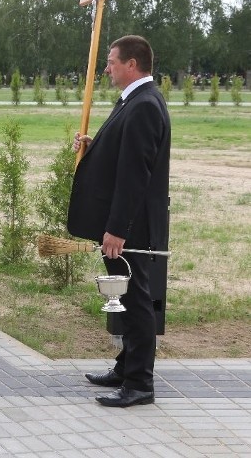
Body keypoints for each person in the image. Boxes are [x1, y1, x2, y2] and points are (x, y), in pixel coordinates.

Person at [69, 35, 170, 408]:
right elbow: (125, 153)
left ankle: (140, 383)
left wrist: (117, 229)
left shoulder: (144, 105)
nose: (106, 68)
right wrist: (97, 145)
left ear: (131, 64)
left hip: (131, 228)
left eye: (111, 62)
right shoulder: (134, 100)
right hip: (124, 224)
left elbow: (135, 176)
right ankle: (125, 366)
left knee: (136, 301)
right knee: (124, 297)